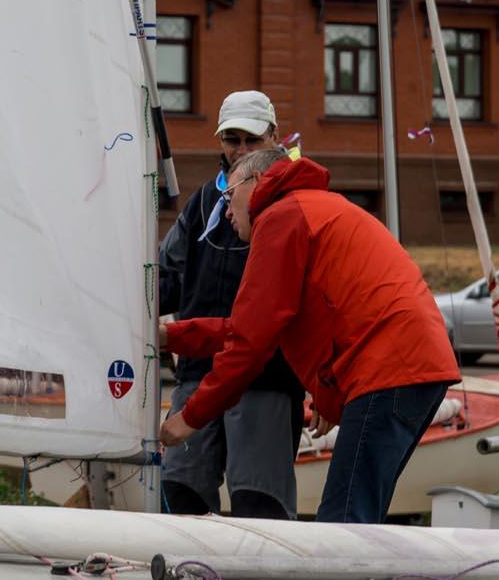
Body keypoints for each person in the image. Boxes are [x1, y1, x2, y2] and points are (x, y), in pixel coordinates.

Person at [157, 148, 459, 524]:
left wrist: (189, 418)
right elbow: (250, 327)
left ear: (255, 184)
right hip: (412, 368)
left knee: (343, 520)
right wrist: (170, 336)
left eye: (228, 197)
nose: (225, 212)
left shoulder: (281, 217)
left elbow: (250, 342)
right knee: (356, 514)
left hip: (390, 371)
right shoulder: (309, 208)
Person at [157, 91, 305, 520]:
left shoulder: (289, 203)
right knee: (178, 491)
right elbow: (168, 277)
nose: (240, 150)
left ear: (274, 137)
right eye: (231, 139)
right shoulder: (203, 202)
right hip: (198, 373)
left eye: (251, 140)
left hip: (266, 375)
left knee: (259, 506)